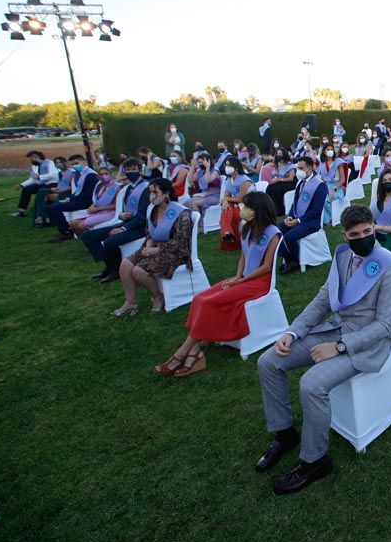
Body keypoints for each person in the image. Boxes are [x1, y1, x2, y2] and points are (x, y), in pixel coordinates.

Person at [254, 206, 391, 494]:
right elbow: (322, 301)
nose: (362, 238)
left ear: (375, 228)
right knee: (268, 361)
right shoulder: (342, 256)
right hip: (333, 330)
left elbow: (385, 327)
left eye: (367, 232)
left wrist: (338, 347)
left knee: (311, 384)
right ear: (344, 236)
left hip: (365, 345)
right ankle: (284, 432)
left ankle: (315, 460)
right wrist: (291, 332)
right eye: (354, 234)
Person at [155, 192, 282, 378]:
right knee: (200, 297)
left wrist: (241, 281)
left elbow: (266, 267)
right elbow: (243, 256)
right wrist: (238, 275)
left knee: (209, 302)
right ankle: (195, 350)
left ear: (258, 210)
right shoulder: (246, 228)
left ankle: (184, 352)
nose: (242, 209)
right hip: (244, 278)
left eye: (247, 207)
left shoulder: (273, 234)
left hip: (259, 283)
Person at [112, 178, 192, 316]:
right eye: (150, 192)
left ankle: (157, 297)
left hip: (175, 252)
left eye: (155, 192)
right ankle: (131, 303)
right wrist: (149, 243)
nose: (151, 196)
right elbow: (149, 232)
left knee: (138, 271)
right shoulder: (153, 210)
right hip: (153, 247)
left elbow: (182, 242)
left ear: (166, 194)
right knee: (125, 265)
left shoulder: (181, 213)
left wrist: (157, 249)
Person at [80, 158, 152, 283]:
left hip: (141, 227)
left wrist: (122, 228)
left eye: (133, 169)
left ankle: (116, 270)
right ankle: (109, 265)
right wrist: (121, 216)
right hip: (127, 222)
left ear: (140, 170)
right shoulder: (129, 187)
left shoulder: (146, 188)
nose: (130, 172)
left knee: (110, 242)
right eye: (127, 170)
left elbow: (142, 216)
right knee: (88, 236)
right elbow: (124, 211)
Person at [278, 156, 328, 274]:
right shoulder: (300, 182)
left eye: (301, 168)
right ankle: (288, 259)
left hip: (311, 222)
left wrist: (298, 221)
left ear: (310, 169)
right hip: (297, 218)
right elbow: (294, 203)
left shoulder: (320, 185)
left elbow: (316, 211)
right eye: (297, 168)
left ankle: (294, 261)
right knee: (277, 231)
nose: (298, 171)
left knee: (289, 237)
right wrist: (290, 216)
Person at [47, 154, 99, 242]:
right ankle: (66, 229)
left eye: (76, 163)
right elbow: (77, 190)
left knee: (53, 208)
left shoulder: (91, 175)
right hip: (79, 200)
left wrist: (72, 199)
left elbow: (90, 194)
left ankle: (66, 232)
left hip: (86, 202)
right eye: (72, 164)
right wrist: (70, 198)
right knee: (51, 207)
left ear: (84, 162)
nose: (74, 166)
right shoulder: (80, 174)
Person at [71, 167, 122, 234]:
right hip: (98, 210)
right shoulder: (101, 185)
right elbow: (96, 200)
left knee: (81, 225)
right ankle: (85, 239)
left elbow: (116, 205)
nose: (103, 176)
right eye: (101, 174)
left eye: (106, 173)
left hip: (111, 212)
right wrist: (91, 206)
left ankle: (91, 238)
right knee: (73, 222)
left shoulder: (117, 187)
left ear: (110, 174)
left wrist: (98, 209)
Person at [218, 157, 254, 250]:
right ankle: (228, 234)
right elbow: (226, 195)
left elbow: (240, 199)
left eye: (229, 165)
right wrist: (226, 200)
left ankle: (227, 233)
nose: (227, 167)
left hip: (248, 205)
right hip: (236, 205)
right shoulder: (229, 180)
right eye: (226, 165)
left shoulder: (245, 181)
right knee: (227, 208)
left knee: (227, 209)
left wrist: (226, 199)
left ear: (236, 167)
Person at [12, 150, 60, 219]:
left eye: (34, 157)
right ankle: (22, 211)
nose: (32, 159)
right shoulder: (35, 166)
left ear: (39, 157)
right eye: (30, 158)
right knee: (26, 190)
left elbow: (55, 175)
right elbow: (33, 179)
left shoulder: (50, 163)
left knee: (41, 191)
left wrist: (40, 177)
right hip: (42, 183)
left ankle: (42, 212)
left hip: (53, 183)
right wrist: (21, 185)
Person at [318, 144, 348, 225]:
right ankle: (328, 218)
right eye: (328, 149)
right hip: (325, 185)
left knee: (330, 197)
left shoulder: (338, 162)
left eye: (331, 149)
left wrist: (335, 188)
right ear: (324, 151)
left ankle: (333, 218)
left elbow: (342, 179)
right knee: (320, 197)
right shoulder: (322, 163)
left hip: (337, 185)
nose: (330, 151)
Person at [187, 153, 222, 217]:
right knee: (188, 202)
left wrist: (207, 168)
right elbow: (190, 179)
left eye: (202, 162)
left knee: (195, 203)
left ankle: (200, 222)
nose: (200, 164)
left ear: (208, 161)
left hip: (214, 195)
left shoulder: (215, 170)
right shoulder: (200, 171)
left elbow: (208, 180)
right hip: (204, 194)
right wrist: (192, 167)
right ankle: (192, 221)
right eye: (199, 162)